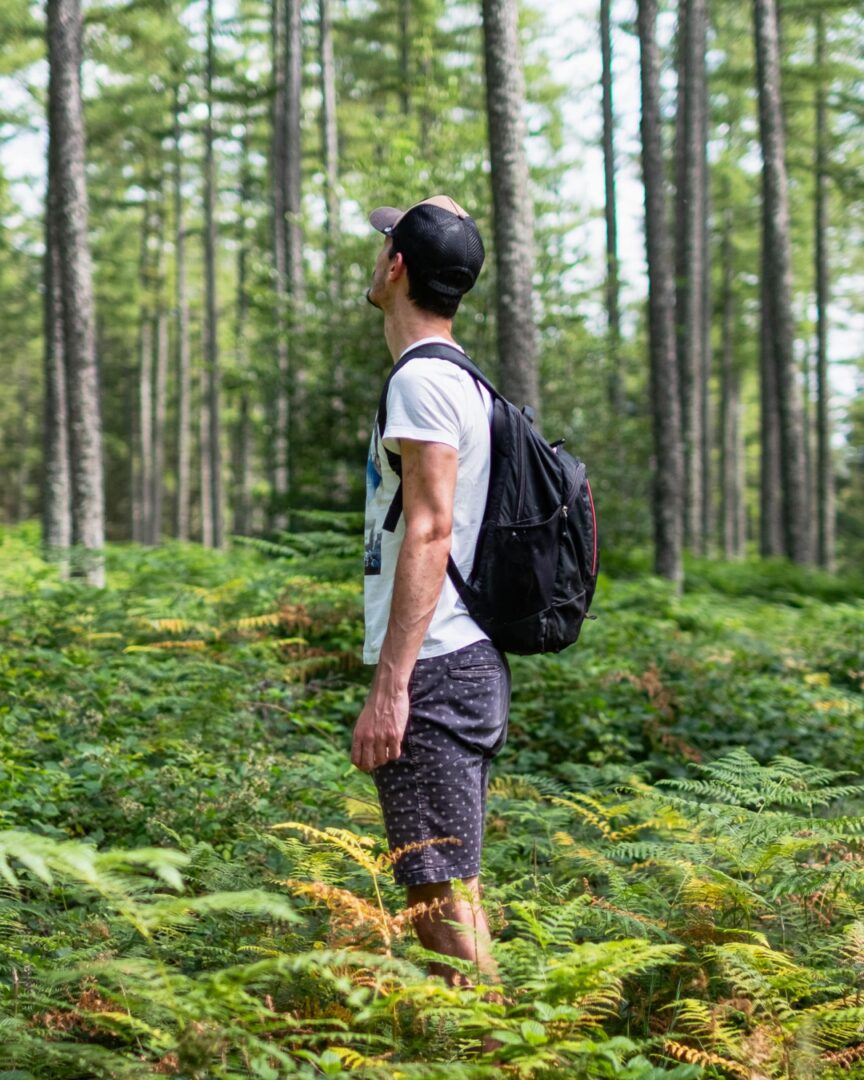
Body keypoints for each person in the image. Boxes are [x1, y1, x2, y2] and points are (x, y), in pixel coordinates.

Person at [352, 195, 511, 987]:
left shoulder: (422, 382)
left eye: (385, 244)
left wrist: (392, 687)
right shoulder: (460, 379)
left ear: (396, 268)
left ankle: (493, 1055)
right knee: (453, 888)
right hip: (461, 659)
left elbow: (429, 530)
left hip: (437, 668)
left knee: (438, 906)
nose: (375, 255)